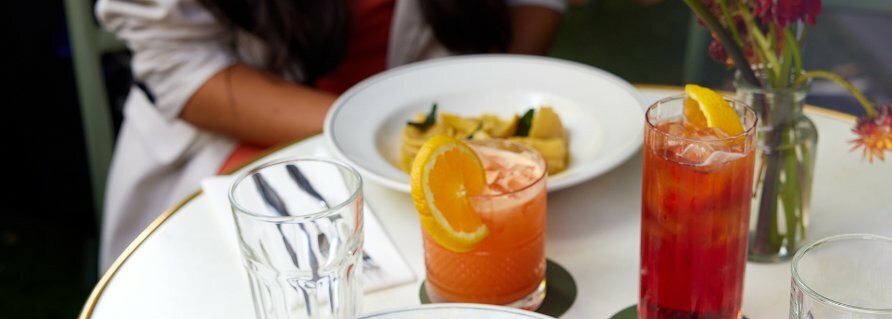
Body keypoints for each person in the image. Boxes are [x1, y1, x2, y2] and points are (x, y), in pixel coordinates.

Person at [95, 0, 567, 272]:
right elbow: (185, 67)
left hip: (435, 143)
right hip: (244, 141)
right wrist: (378, 129)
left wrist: (483, 95)